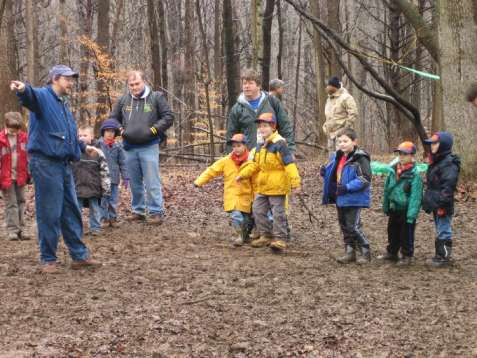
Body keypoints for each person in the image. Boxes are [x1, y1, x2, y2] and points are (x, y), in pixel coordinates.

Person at [11, 64, 101, 273]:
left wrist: (83, 147)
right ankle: (48, 259)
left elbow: (68, 134)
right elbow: (29, 97)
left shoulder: (63, 104)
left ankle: (79, 256)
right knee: (49, 212)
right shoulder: (42, 96)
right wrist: (23, 89)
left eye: (72, 79)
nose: (71, 83)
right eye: (68, 79)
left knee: (71, 210)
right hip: (45, 163)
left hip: (63, 164)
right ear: (55, 79)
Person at [110, 70, 174, 224]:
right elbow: (113, 119)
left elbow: (168, 117)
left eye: (137, 83)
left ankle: (156, 212)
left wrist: (153, 130)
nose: (134, 87)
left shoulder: (156, 97)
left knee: (152, 181)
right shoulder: (123, 100)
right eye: (131, 85)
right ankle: (138, 210)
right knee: (134, 181)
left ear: (144, 81)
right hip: (129, 147)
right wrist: (121, 130)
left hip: (149, 146)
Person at [236, 112, 301, 253]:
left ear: (273, 126)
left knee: (278, 213)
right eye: (260, 126)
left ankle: (280, 239)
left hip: (278, 186)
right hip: (263, 186)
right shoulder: (260, 145)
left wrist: (295, 183)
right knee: (257, 209)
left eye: (265, 126)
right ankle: (266, 235)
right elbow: (255, 165)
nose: (262, 129)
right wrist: (243, 175)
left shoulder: (280, 144)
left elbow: (289, 165)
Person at [321, 128, 372, 264]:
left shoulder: (360, 158)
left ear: (354, 142)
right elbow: (335, 174)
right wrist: (325, 172)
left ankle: (366, 251)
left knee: (353, 226)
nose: (342, 144)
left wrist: (347, 187)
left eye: (345, 141)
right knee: (344, 226)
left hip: (354, 198)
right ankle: (350, 252)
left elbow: (365, 178)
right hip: (340, 197)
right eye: (339, 141)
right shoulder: (338, 157)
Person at [194, 133, 253, 247]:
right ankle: (239, 236)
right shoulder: (226, 161)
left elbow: (256, 180)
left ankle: (245, 236)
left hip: (246, 196)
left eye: (239, 146)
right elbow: (212, 170)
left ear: (245, 146)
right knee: (236, 216)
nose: (236, 149)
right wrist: (199, 181)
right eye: (234, 146)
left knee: (246, 220)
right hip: (231, 195)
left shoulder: (251, 161)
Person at [226, 69, 295, 153]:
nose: (247, 86)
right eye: (244, 83)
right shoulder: (237, 108)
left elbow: (285, 127)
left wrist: (290, 150)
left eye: (250, 83)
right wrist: (231, 158)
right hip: (248, 159)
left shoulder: (272, 102)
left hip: (272, 156)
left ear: (259, 86)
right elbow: (231, 136)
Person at [379, 142, 423, 266]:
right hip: (394, 207)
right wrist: (386, 205)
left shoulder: (415, 175)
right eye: (400, 153)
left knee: (406, 233)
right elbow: (387, 189)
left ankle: (407, 255)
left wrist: (411, 215)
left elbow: (416, 196)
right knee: (392, 230)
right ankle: (392, 252)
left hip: (406, 209)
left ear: (412, 156)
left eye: (405, 154)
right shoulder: (393, 171)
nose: (402, 156)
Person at [422, 132, 460, 267]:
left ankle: (443, 257)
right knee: (440, 227)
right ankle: (441, 255)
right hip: (436, 202)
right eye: (431, 143)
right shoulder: (436, 161)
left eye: (435, 143)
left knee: (443, 229)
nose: (432, 146)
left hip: (443, 203)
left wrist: (442, 204)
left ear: (443, 145)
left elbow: (448, 186)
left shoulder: (448, 163)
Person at [73, 126, 111, 236]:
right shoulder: (74, 152)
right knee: (76, 210)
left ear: (92, 136)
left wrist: (106, 187)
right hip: (77, 186)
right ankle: (76, 229)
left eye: (85, 135)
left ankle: (95, 227)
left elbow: (104, 170)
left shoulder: (98, 152)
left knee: (95, 209)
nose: (82, 138)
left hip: (94, 187)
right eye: (79, 136)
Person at [0, 112, 30, 241]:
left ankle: (21, 229)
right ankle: (12, 230)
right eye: (12, 129)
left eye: (17, 130)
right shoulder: (0, 140)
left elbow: (29, 157)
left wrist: (30, 174)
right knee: (11, 204)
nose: (15, 132)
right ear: (6, 126)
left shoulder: (24, 138)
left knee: (21, 201)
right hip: (6, 178)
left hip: (21, 176)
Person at [96, 118, 129, 227]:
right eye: (107, 131)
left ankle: (113, 218)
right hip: (101, 177)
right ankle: (103, 218)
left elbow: (123, 162)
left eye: (112, 131)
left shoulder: (118, 146)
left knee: (113, 199)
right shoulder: (98, 145)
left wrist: (125, 177)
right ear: (103, 132)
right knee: (103, 199)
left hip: (114, 178)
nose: (110, 133)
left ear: (115, 133)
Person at [323, 76, 358, 153]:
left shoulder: (346, 97)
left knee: (342, 157)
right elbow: (328, 115)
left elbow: (353, 113)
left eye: (329, 86)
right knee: (332, 159)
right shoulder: (329, 99)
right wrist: (325, 127)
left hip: (342, 135)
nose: (327, 88)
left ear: (333, 86)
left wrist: (345, 129)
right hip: (330, 134)